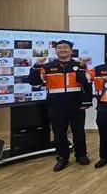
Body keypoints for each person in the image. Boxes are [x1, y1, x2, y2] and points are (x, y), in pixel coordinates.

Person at [28, 40, 92, 172]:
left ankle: (81, 155)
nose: (62, 50)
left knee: (79, 132)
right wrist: (37, 65)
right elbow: (33, 81)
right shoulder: (47, 67)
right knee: (58, 133)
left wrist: (87, 101)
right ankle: (62, 157)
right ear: (56, 50)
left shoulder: (79, 65)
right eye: (59, 48)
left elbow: (87, 82)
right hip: (55, 104)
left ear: (71, 50)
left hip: (76, 104)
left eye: (65, 47)